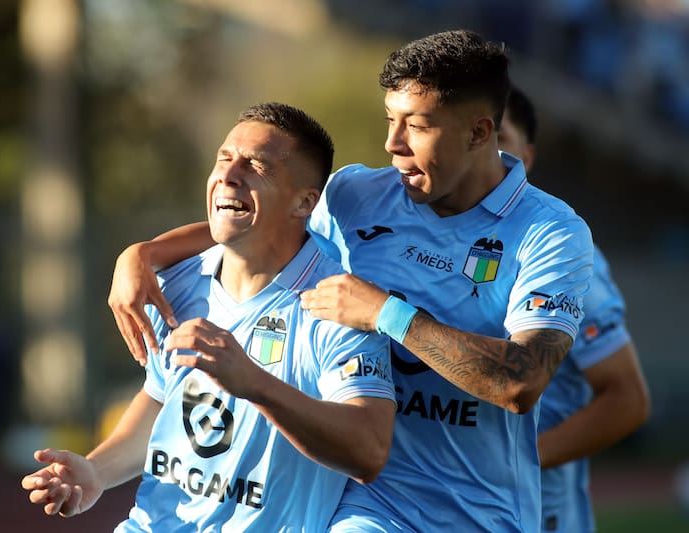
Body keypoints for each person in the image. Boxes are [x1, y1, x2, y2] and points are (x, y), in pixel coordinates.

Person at [107, 30, 595, 532]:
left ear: (478, 132)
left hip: (480, 511)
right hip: (366, 501)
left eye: (418, 126)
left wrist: (386, 313)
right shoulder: (355, 194)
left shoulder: (550, 233)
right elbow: (262, 221)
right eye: (390, 120)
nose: (393, 144)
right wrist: (142, 255)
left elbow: (519, 382)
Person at [21, 102, 396, 532]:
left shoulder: (337, 304)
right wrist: (95, 472)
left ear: (304, 202)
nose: (229, 175)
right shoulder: (179, 280)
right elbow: (163, 397)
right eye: (224, 158)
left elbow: (367, 452)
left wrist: (254, 383)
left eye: (256, 165)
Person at [498, 85, 650, 533]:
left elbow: (626, 400)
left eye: (499, 139)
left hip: (535, 512)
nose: (484, 152)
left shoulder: (559, 248)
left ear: (527, 156)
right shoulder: (411, 237)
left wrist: (506, 462)